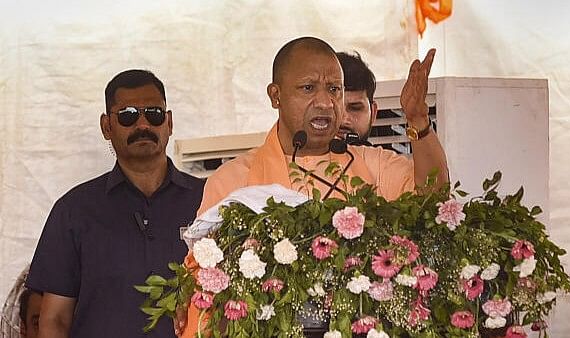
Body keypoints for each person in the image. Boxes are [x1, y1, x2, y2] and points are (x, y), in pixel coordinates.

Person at [178, 36, 449, 338]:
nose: (324, 102)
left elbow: (433, 202)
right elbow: (206, 295)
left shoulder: (379, 166)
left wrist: (419, 122)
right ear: (275, 96)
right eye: (308, 88)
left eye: (334, 89)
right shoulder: (231, 180)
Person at [25, 69, 205, 338]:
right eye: (128, 115)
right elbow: (55, 320)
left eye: (154, 114)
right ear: (107, 126)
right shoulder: (74, 210)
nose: (142, 125)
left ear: (168, 123)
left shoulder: (209, 199)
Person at [335, 51, 378, 144]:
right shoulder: (296, 157)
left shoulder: (385, 158)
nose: (343, 119)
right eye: (334, 108)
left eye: (355, 108)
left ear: (373, 113)